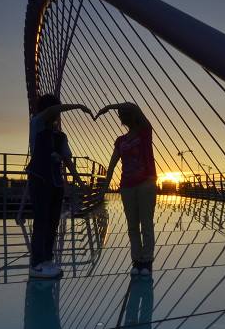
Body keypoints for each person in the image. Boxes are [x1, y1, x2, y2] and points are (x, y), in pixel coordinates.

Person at [24, 94, 88, 278]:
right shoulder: (36, 124)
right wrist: (77, 105)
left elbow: (67, 160)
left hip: (55, 183)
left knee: (52, 222)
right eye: (54, 110)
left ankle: (46, 259)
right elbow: (50, 111)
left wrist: (80, 182)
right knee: (41, 220)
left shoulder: (60, 136)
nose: (56, 115)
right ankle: (36, 263)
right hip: (40, 180)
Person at [98, 102, 157, 277]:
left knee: (146, 223)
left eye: (123, 114)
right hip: (127, 186)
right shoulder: (120, 140)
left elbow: (133, 105)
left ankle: (146, 262)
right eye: (121, 115)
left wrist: (109, 107)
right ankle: (136, 261)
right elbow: (112, 164)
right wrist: (105, 187)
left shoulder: (145, 132)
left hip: (146, 183)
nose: (122, 117)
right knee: (132, 226)